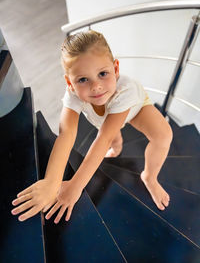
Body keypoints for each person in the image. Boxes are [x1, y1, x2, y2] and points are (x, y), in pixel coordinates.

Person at [11, 30, 173, 224]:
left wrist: (76, 186)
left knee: (163, 135)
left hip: (135, 109)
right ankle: (117, 144)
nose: (96, 86)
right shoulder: (74, 94)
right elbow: (66, 133)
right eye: (83, 79)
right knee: (111, 134)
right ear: (70, 82)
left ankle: (150, 177)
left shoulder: (126, 90)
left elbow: (102, 138)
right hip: (105, 119)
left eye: (103, 74)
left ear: (116, 68)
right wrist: (51, 182)